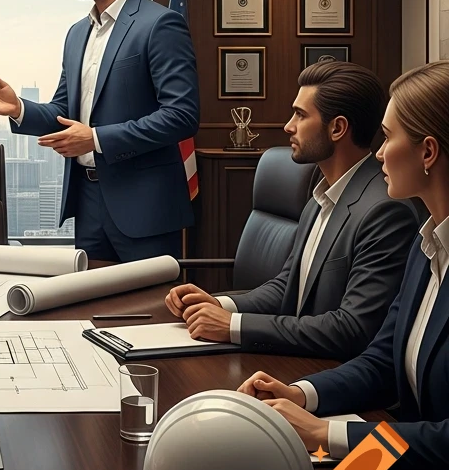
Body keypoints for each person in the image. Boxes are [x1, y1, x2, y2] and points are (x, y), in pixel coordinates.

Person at [236, 61, 449, 470]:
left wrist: (326, 434)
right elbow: (382, 362)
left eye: (388, 138)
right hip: (402, 467)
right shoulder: (427, 247)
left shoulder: (400, 223)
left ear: (428, 152)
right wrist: (301, 394)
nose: (380, 152)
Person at [0, 0, 198, 261]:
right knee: (90, 310)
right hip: (87, 203)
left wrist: (96, 139)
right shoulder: (77, 33)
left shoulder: (160, 24)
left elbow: (181, 116)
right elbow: (63, 111)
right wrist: (20, 109)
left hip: (145, 207)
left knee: (148, 313)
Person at [165, 62, 417, 358]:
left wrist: (234, 325)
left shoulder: (385, 211)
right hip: (292, 357)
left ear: (337, 128)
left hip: (328, 373)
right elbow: (289, 284)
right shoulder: (319, 196)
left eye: (300, 115)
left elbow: (353, 329)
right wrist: (218, 305)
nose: (288, 126)